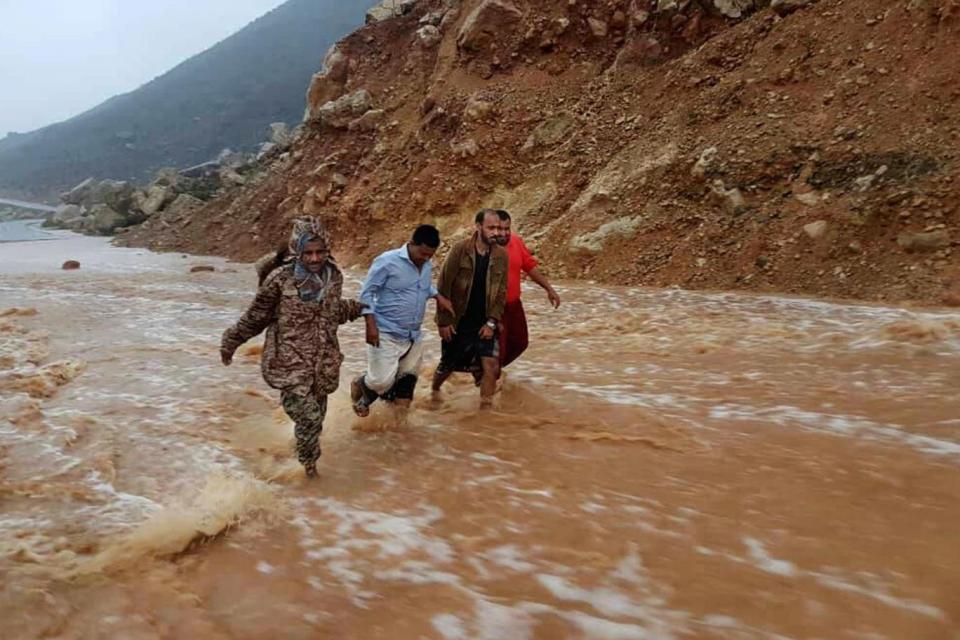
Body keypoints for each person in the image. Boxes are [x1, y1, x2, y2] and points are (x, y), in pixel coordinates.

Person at [220, 217, 364, 478]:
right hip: (289, 364)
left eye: (320, 251)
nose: (314, 258)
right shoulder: (280, 279)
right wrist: (230, 341)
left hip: (323, 363)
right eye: (307, 252)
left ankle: (298, 451)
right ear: (297, 250)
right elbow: (256, 317)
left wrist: (359, 308)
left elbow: (332, 312)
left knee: (316, 420)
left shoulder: (334, 277)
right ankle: (308, 472)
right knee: (309, 417)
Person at [350, 225, 453, 417]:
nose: (425, 259)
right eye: (422, 254)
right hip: (386, 332)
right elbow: (366, 293)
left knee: (406, 387)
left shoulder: (426, 264)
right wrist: (370, 324)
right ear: (411, 244)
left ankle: (397, 437)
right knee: (381, 382)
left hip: (413, 336)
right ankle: (360, 385)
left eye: (430, 256)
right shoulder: (387, 262)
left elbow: (421, 286)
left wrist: (437, 296)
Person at [432, 209, 508, 407]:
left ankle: (485, 412)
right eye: (491, 228)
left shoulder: (501, 256)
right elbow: (443, 286)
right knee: (447, 365)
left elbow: (500, 293)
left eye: (499, 228)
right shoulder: (460, 250)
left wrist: (492, 322)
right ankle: (434, 391)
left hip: (484, 321)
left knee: (490, 366)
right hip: (459, 319)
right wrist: (443, 321)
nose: (497, 232)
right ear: (478, 227)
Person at [494, 209, 561, 367]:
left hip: (514, 305)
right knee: (497, 352)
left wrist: (549, 289)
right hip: (493, 308)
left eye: (507, 229)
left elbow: (530, 267)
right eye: (499, 229)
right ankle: (489, 375)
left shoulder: (516, 242)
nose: (503, 233)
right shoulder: (483, 247)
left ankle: (489, 370)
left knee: (520, 343)